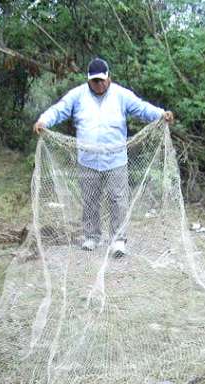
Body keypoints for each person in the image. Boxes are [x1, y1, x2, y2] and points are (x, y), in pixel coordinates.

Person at [33, 58, 174, 257]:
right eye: (94, 81)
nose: (98, 84)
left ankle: (118, 240)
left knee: (118, 200)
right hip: (88, 160)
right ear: (88, 80)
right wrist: (43, 120)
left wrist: (161, 114)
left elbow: (142, 108)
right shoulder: (77, 95)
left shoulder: (122, 95)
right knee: (90, 199)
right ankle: (91, 236)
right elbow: (59, 109)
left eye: (101, 80)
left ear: (109, 78)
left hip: (116, 160)